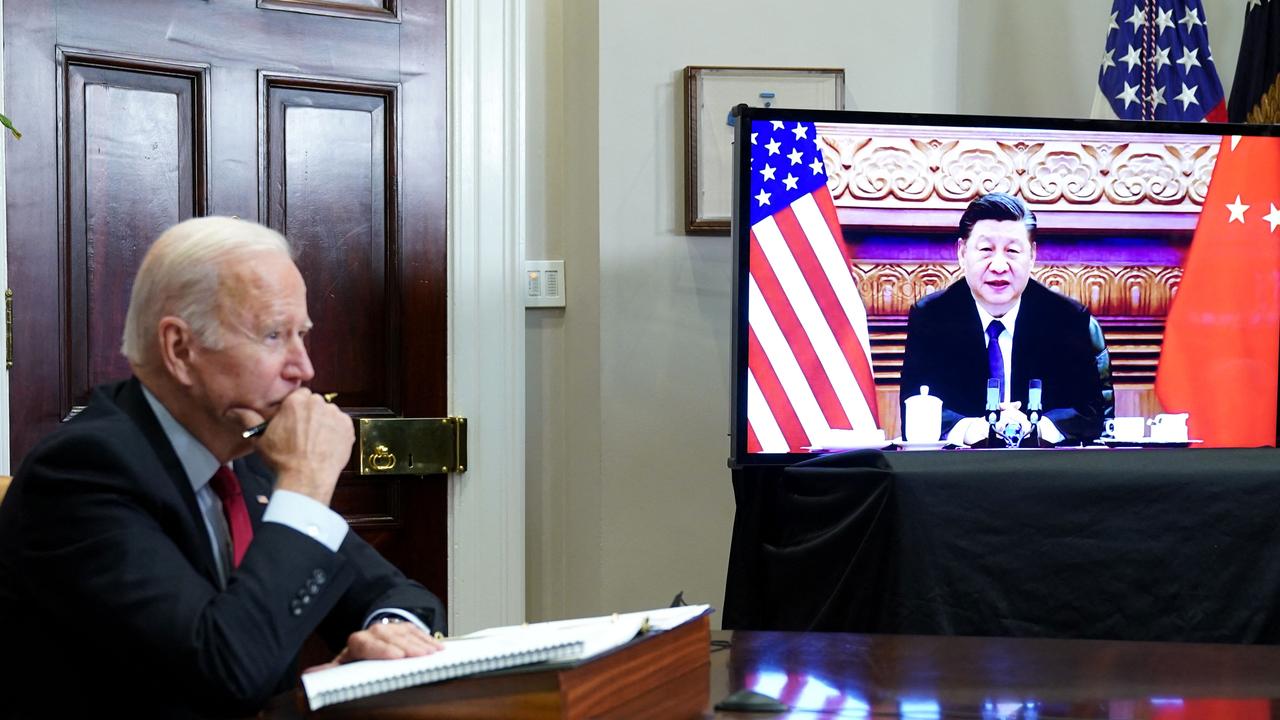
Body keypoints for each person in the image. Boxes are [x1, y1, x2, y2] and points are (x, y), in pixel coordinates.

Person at [0, 217, 446, 718]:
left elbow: (404, 596)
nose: (305, 368)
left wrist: (385, 641)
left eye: (302, 335)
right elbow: (225, 674)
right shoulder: (81, 475)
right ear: (181, 350)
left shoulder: (246, 457)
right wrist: (306, 484)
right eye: (274, 335)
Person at [898, 192, 1112, 445]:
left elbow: (1090, 413)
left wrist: (1035, 427)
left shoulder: (1065, 319)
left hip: (1046, 471)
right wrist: (970, 429)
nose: (999, 265)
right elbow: (916, 409)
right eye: (986, 250)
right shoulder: (933, 317)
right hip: (960, 470)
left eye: (1012, 251)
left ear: (1031, 255)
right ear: (962, 252)